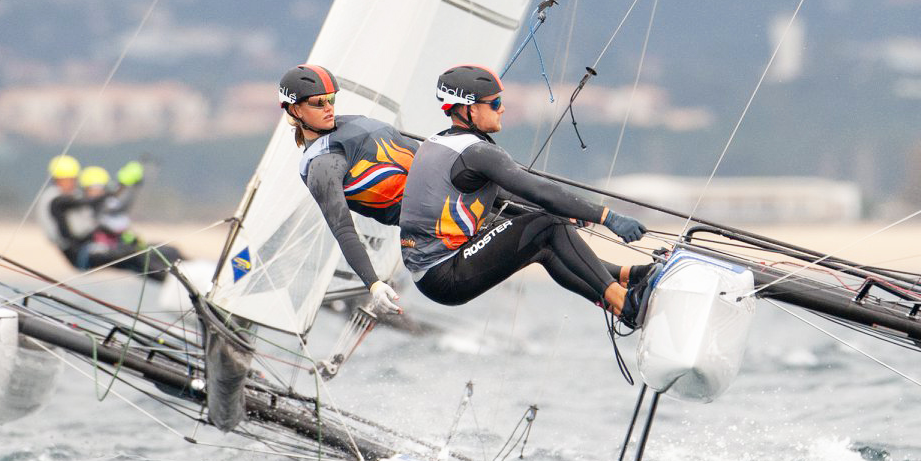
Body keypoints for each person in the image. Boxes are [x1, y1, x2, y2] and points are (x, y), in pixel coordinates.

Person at [397, 64, 653, 326]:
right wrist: (608, 217)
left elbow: (506, 196)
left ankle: (628, 278)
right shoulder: (476, 152)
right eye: (494, 103)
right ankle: (626, 303)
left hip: (432, 274)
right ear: (470, 109)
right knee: (548, 226)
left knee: (544, 242)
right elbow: (539, 191)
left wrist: (571, 212)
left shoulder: (438, 142)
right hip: (445, 273)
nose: (503, 109)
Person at [279, 64, 416, 315]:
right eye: (318, 103)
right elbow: (342, 228)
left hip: (454, 191)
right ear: (296, 109)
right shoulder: (322, 165)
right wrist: (374, 284)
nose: (329, 107)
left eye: (331, 99)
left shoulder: (358, 126)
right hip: (435, 226)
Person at [40, 155, 177, 278]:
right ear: (57, 179)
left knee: (156, 252)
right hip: (81, 255)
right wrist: (121, 185)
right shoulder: (57, 201)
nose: (73, 182)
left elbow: (113, 208)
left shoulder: (71, 197)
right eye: (69, 179)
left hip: (93, 246)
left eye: (74, 179)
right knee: (134, 255)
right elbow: (94, 201)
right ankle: (172, 281)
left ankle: (184, 274)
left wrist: (131, 187)